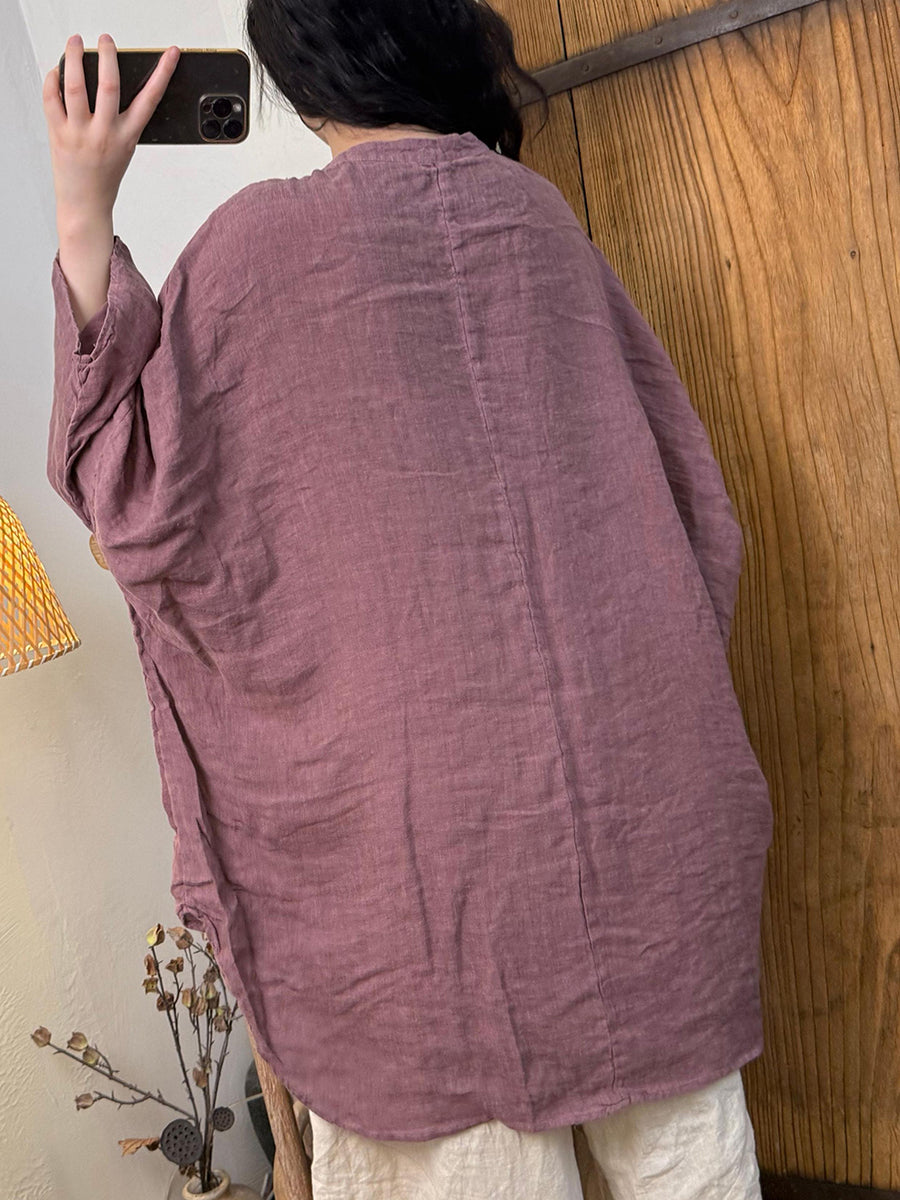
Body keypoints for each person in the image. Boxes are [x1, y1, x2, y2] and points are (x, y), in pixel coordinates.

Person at [43, 3, 773, 1197]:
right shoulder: (538, 220)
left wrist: (84, 211)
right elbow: (702, 522)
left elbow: (127, 495)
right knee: (690, 1165)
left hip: (421, 886)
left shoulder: (257, 248)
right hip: (645, 833)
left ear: (295, 70)